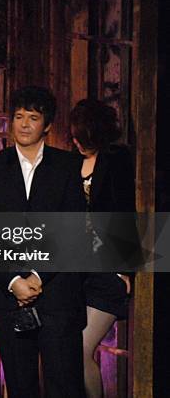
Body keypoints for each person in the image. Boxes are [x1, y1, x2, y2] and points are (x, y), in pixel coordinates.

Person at [0, 86, 87, 398]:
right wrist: (13, 280)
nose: (24, 124)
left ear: (47, 125)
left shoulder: (67, 166)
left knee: (64, 386)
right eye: (18, 117)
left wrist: (38, 276)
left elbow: (73, 229)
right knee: (19, 385)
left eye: (33, 117)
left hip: (57, 294)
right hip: (6, 293)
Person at [70, 99, 142, 398]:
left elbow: (126, 213)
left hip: (107, 270)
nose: (78, 143)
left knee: (80, 348)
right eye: (76, 137)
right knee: (68, 349)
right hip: (77, 270)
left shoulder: (116, 159)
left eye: (84, 138)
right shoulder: (71, 162)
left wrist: (124, 269)